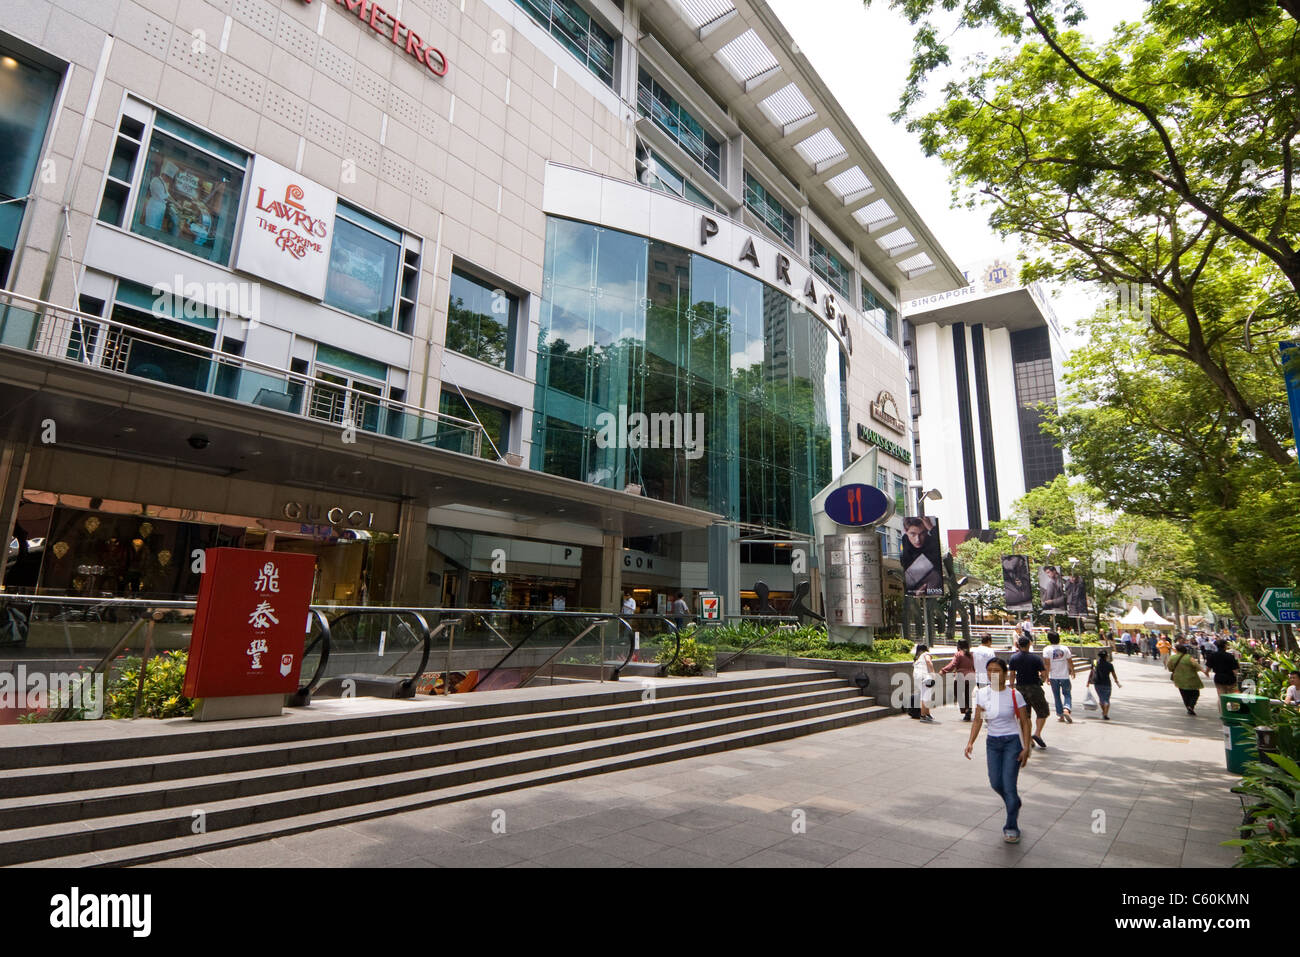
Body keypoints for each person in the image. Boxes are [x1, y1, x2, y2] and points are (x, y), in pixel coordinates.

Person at [965, 657, 1031, 844]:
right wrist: (970, 742)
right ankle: (1014, 803)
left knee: (1009, 786)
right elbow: (978, 719)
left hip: (1012, 742)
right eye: (990, 671)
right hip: (992, 743)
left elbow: (1025, 722)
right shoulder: (983, 694)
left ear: (1005, 673)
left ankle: (1011, 827)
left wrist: (1026, 747)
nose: (993, 674)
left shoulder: (1014, 695)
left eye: (997, 670)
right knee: (995, 783)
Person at [1009, 636, 1050, 749]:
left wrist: (1012, 686)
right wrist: (1040, 680)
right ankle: (1037, 733)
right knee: (1043, 711)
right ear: (1029, 644)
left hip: (1020, 688)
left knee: (1025, 715)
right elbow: (1043, 673)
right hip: (1034, 687)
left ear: (1018, 645)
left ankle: (1029, 739)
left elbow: (1012, 674)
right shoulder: (1035, 658)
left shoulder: (1014, 658)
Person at [941, 638, 976, 721]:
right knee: (968, 695)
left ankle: (966, 710)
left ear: (958, 646)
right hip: (971, 677)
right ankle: (969, 710)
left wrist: (943, 670)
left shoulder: (959, 654)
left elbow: (953, 664)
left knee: (958, 694)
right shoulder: (971, 654)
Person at [1042, 631, 1074, 723]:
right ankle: (1066, 709)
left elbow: (1047, 664)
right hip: (1064, 676)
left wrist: (1047, 676)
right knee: (1067, 694)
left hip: (1053, 676)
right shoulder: (1065, 648)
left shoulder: (1047, 649)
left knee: (1056, 696)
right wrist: (1073, 671)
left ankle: (1060, 715)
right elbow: (1070, 661)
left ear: (1049, 639)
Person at [1168, 642, 1204, 715]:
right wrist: (1203, 671)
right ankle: (1191, 706)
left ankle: (1188, 707)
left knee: (1184, 694)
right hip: (1191, 678)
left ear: (1177, 650)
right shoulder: (1189, 657)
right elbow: (1196, 666)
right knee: (1195, 693)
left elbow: (1170, 668)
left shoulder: (1172, 657)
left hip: (1179, 679)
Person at [1087, 649, 1121, 720]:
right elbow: (1114, 674)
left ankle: (1104, 712)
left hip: (1097, 684)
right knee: (1106, 699)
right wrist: (1116, 681)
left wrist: (1088, 681)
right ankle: (1105, 714)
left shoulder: (1095, 663)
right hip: (1107, 684)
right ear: (1106, 656)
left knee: (1101, 699)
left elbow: (1092, 672)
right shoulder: (1109, 665)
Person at [913, 643, 937, 722]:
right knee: (926, 697)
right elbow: (928, 661)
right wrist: (933, 673)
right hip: (925, 677)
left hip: (918, 678)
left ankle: (927, 714)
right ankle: (923, 716)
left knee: (925, 696)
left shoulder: (917, 658)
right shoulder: (926, 654)